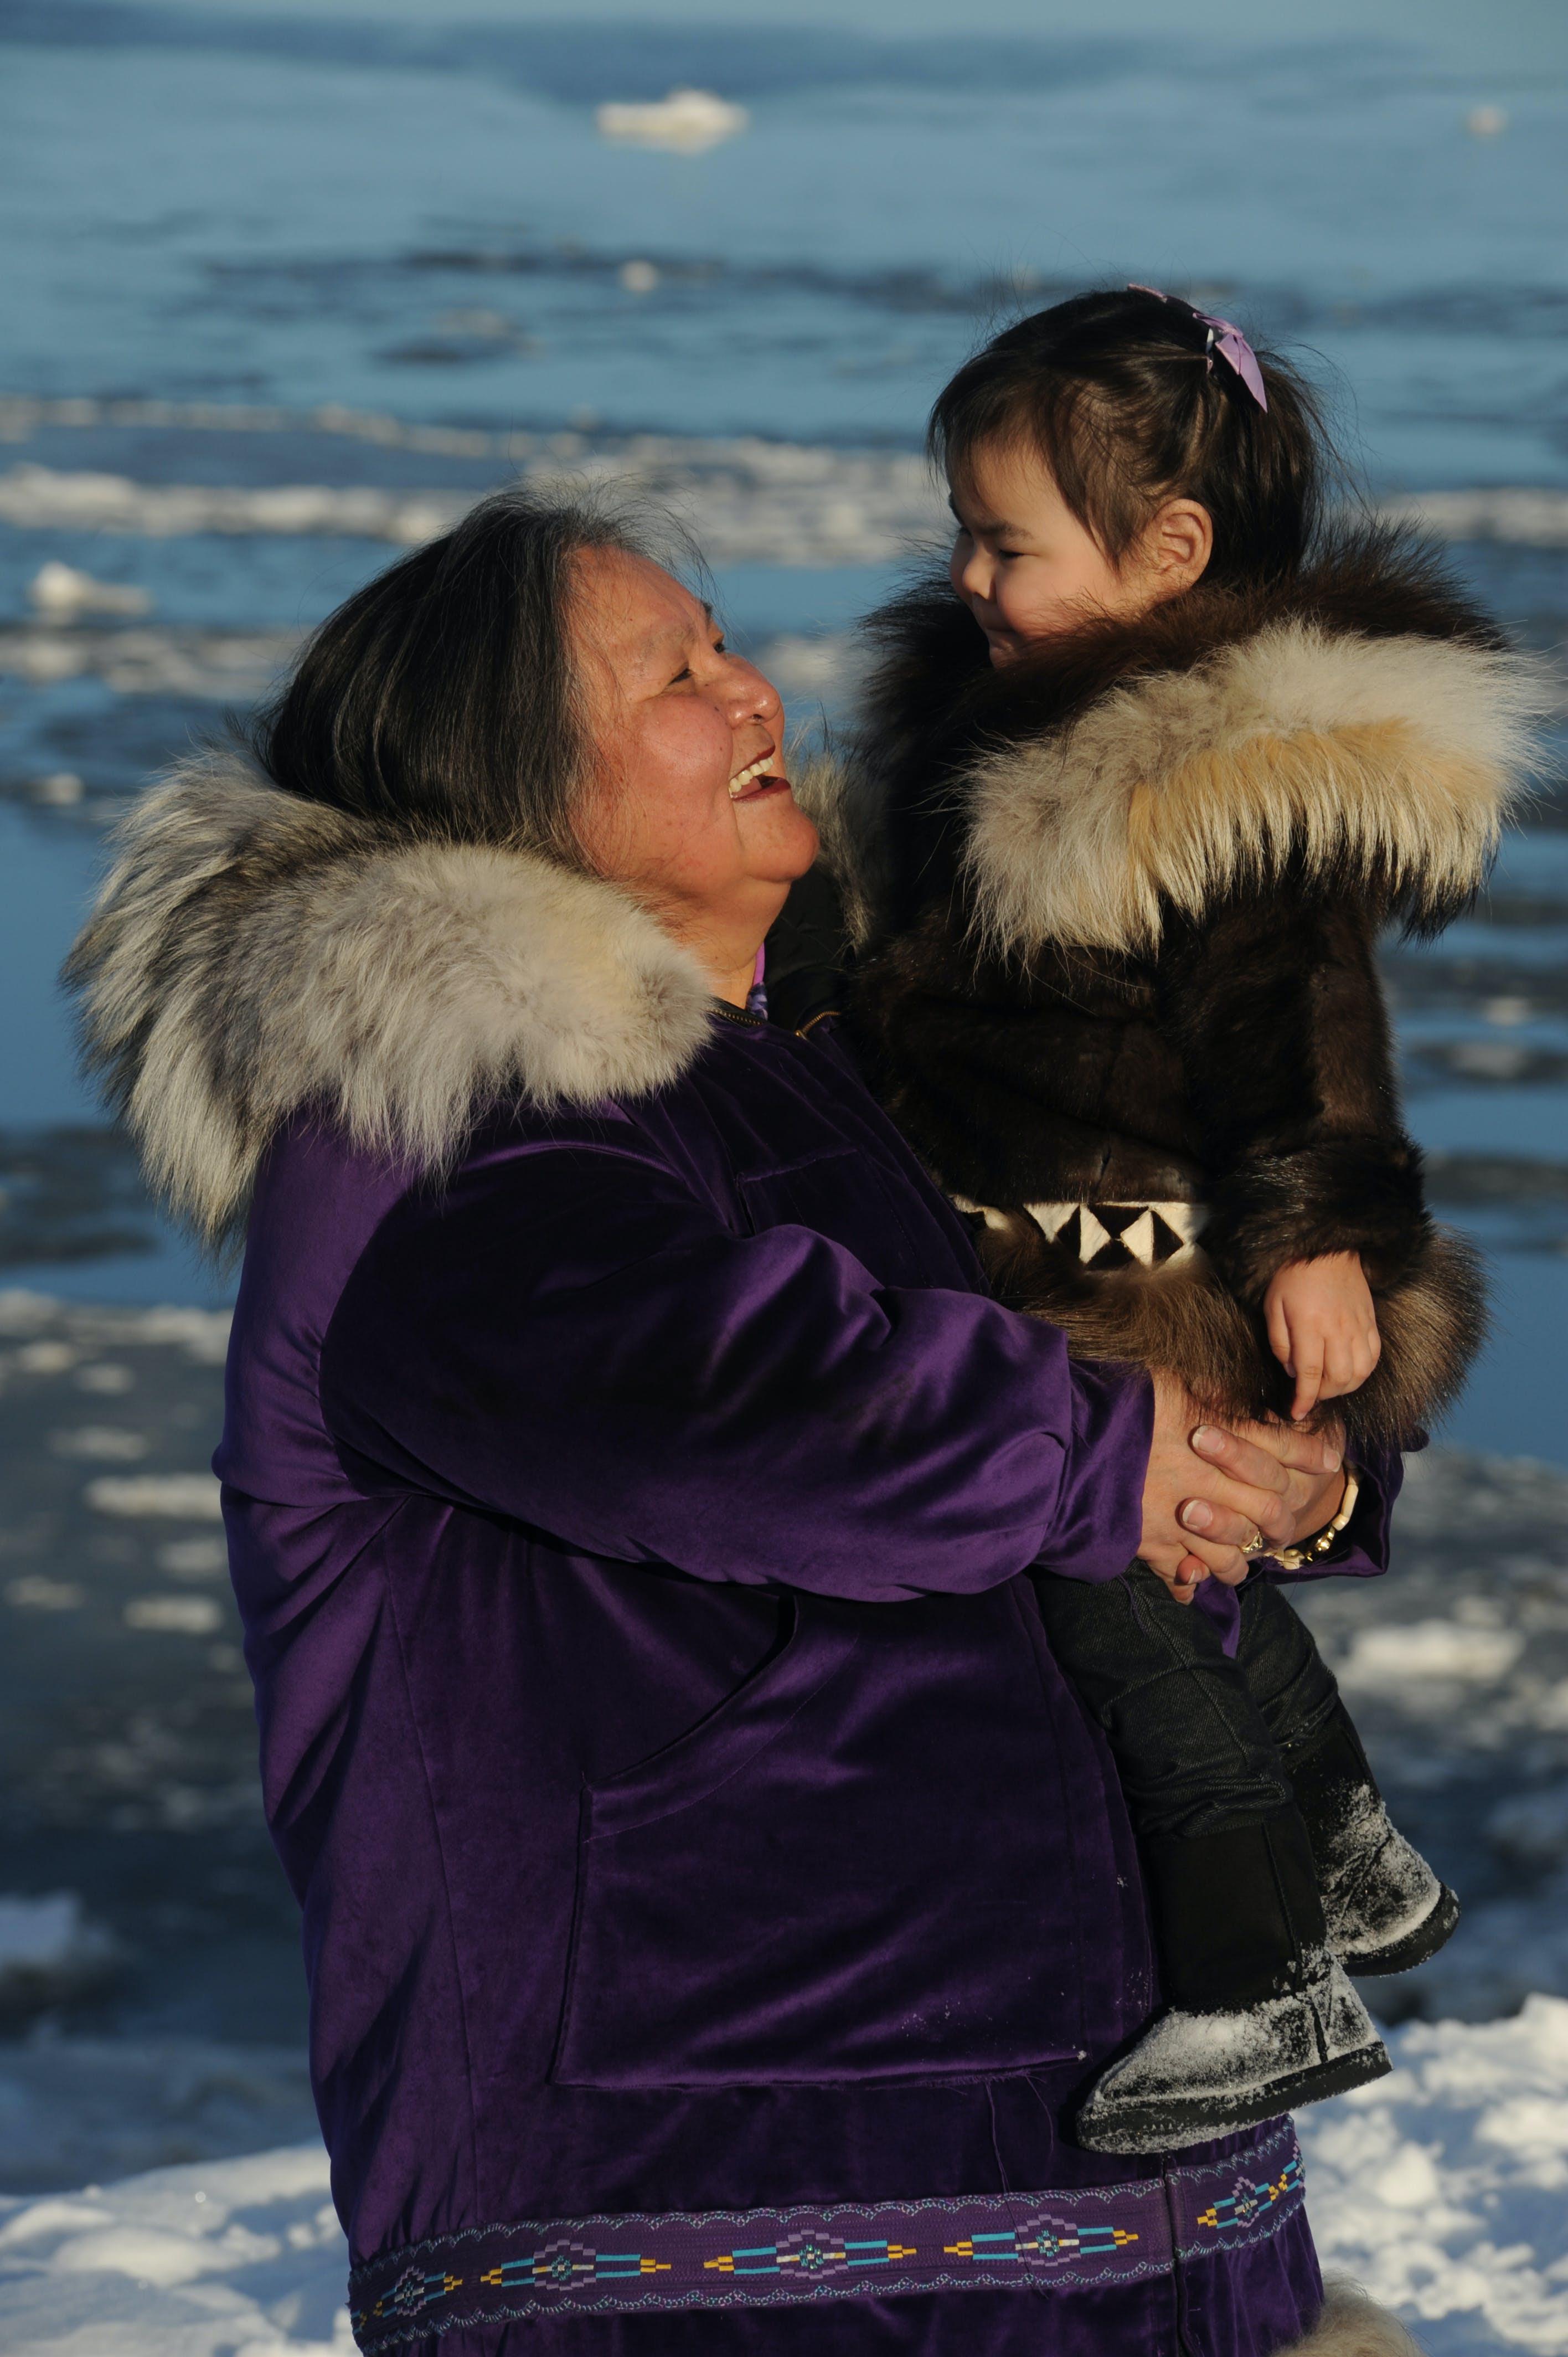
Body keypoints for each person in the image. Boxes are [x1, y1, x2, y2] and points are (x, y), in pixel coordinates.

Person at [64, 486, 1401, 2355]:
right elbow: (732, 1392)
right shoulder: (436, 1129)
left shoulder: (847, 1076)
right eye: (674, 676)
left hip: (1097, 2206)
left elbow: (1126, 1280)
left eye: (724, 640)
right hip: (730, 2222)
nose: (755, 690)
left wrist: (1280, 1453)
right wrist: (1106, 1452)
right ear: (511, 790)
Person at [794, 289, 1541, 2154]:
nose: (965, 572)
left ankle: (1258, 1973)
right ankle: (1352, 1844)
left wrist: (1317, 1235)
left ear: (1171, 549)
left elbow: (1296, 1023)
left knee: (1111, 1604)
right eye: (960, 530)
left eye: (1006, 538)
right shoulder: (1006, 727)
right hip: (1049, 1242)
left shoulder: (1209, 773)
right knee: (1169, 1576)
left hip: (1141, 1267)